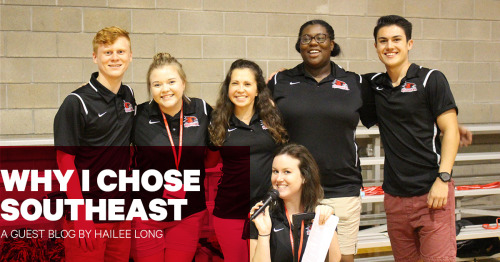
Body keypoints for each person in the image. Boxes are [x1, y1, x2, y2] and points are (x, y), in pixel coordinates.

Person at [267, 19, 377, 262]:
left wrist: (448, 125)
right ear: (299, 45)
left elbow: (390, 117)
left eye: (320, 37)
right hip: (296, 191)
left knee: (342, 259)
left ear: (331, 44)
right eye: (306, 38)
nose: (313, 43)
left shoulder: (355, 83)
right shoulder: (280, 81)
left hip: (342, 188)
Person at [367, 15, 460, 261]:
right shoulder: (373, 85)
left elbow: (451, 130)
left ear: (409, 43)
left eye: (397, 39)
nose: (390, 46)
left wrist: (443, 178)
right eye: (383, 41)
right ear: (375, 46)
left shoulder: (431, 79)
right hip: (395, 197)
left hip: (432, 192)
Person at [53, 26, 135, 262]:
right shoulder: (76, 102)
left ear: (130, 56)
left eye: (121, 51)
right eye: (107, 52)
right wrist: (80, 214)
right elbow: (64, 161)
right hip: (88, 212)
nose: (115, 57)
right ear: (95, 57)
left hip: (121, 209)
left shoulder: (128, 95)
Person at [130, 53, 214, 262]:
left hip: (188, 212)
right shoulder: (138, 116)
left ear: (183, 83)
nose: (165, 89)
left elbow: (212, 156)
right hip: (146, 213)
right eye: (157, 84)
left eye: (171, 82)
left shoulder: (202, 110)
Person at [208, 59, 288, 262]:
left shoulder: (271, 118)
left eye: (247, 84)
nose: (240, 89)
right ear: (227, 88)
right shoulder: (217, 120)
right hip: (230, 212)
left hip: (266, 209)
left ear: (257, 89)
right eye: (235, 83)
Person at [249, 144, 341, 262]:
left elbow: (334, 260)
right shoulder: (263, 216)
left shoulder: (319, 214)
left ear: (304, 177)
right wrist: (264, 233)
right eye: (275, 171)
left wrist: (327, 224)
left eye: (287, 172)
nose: (279, 178)